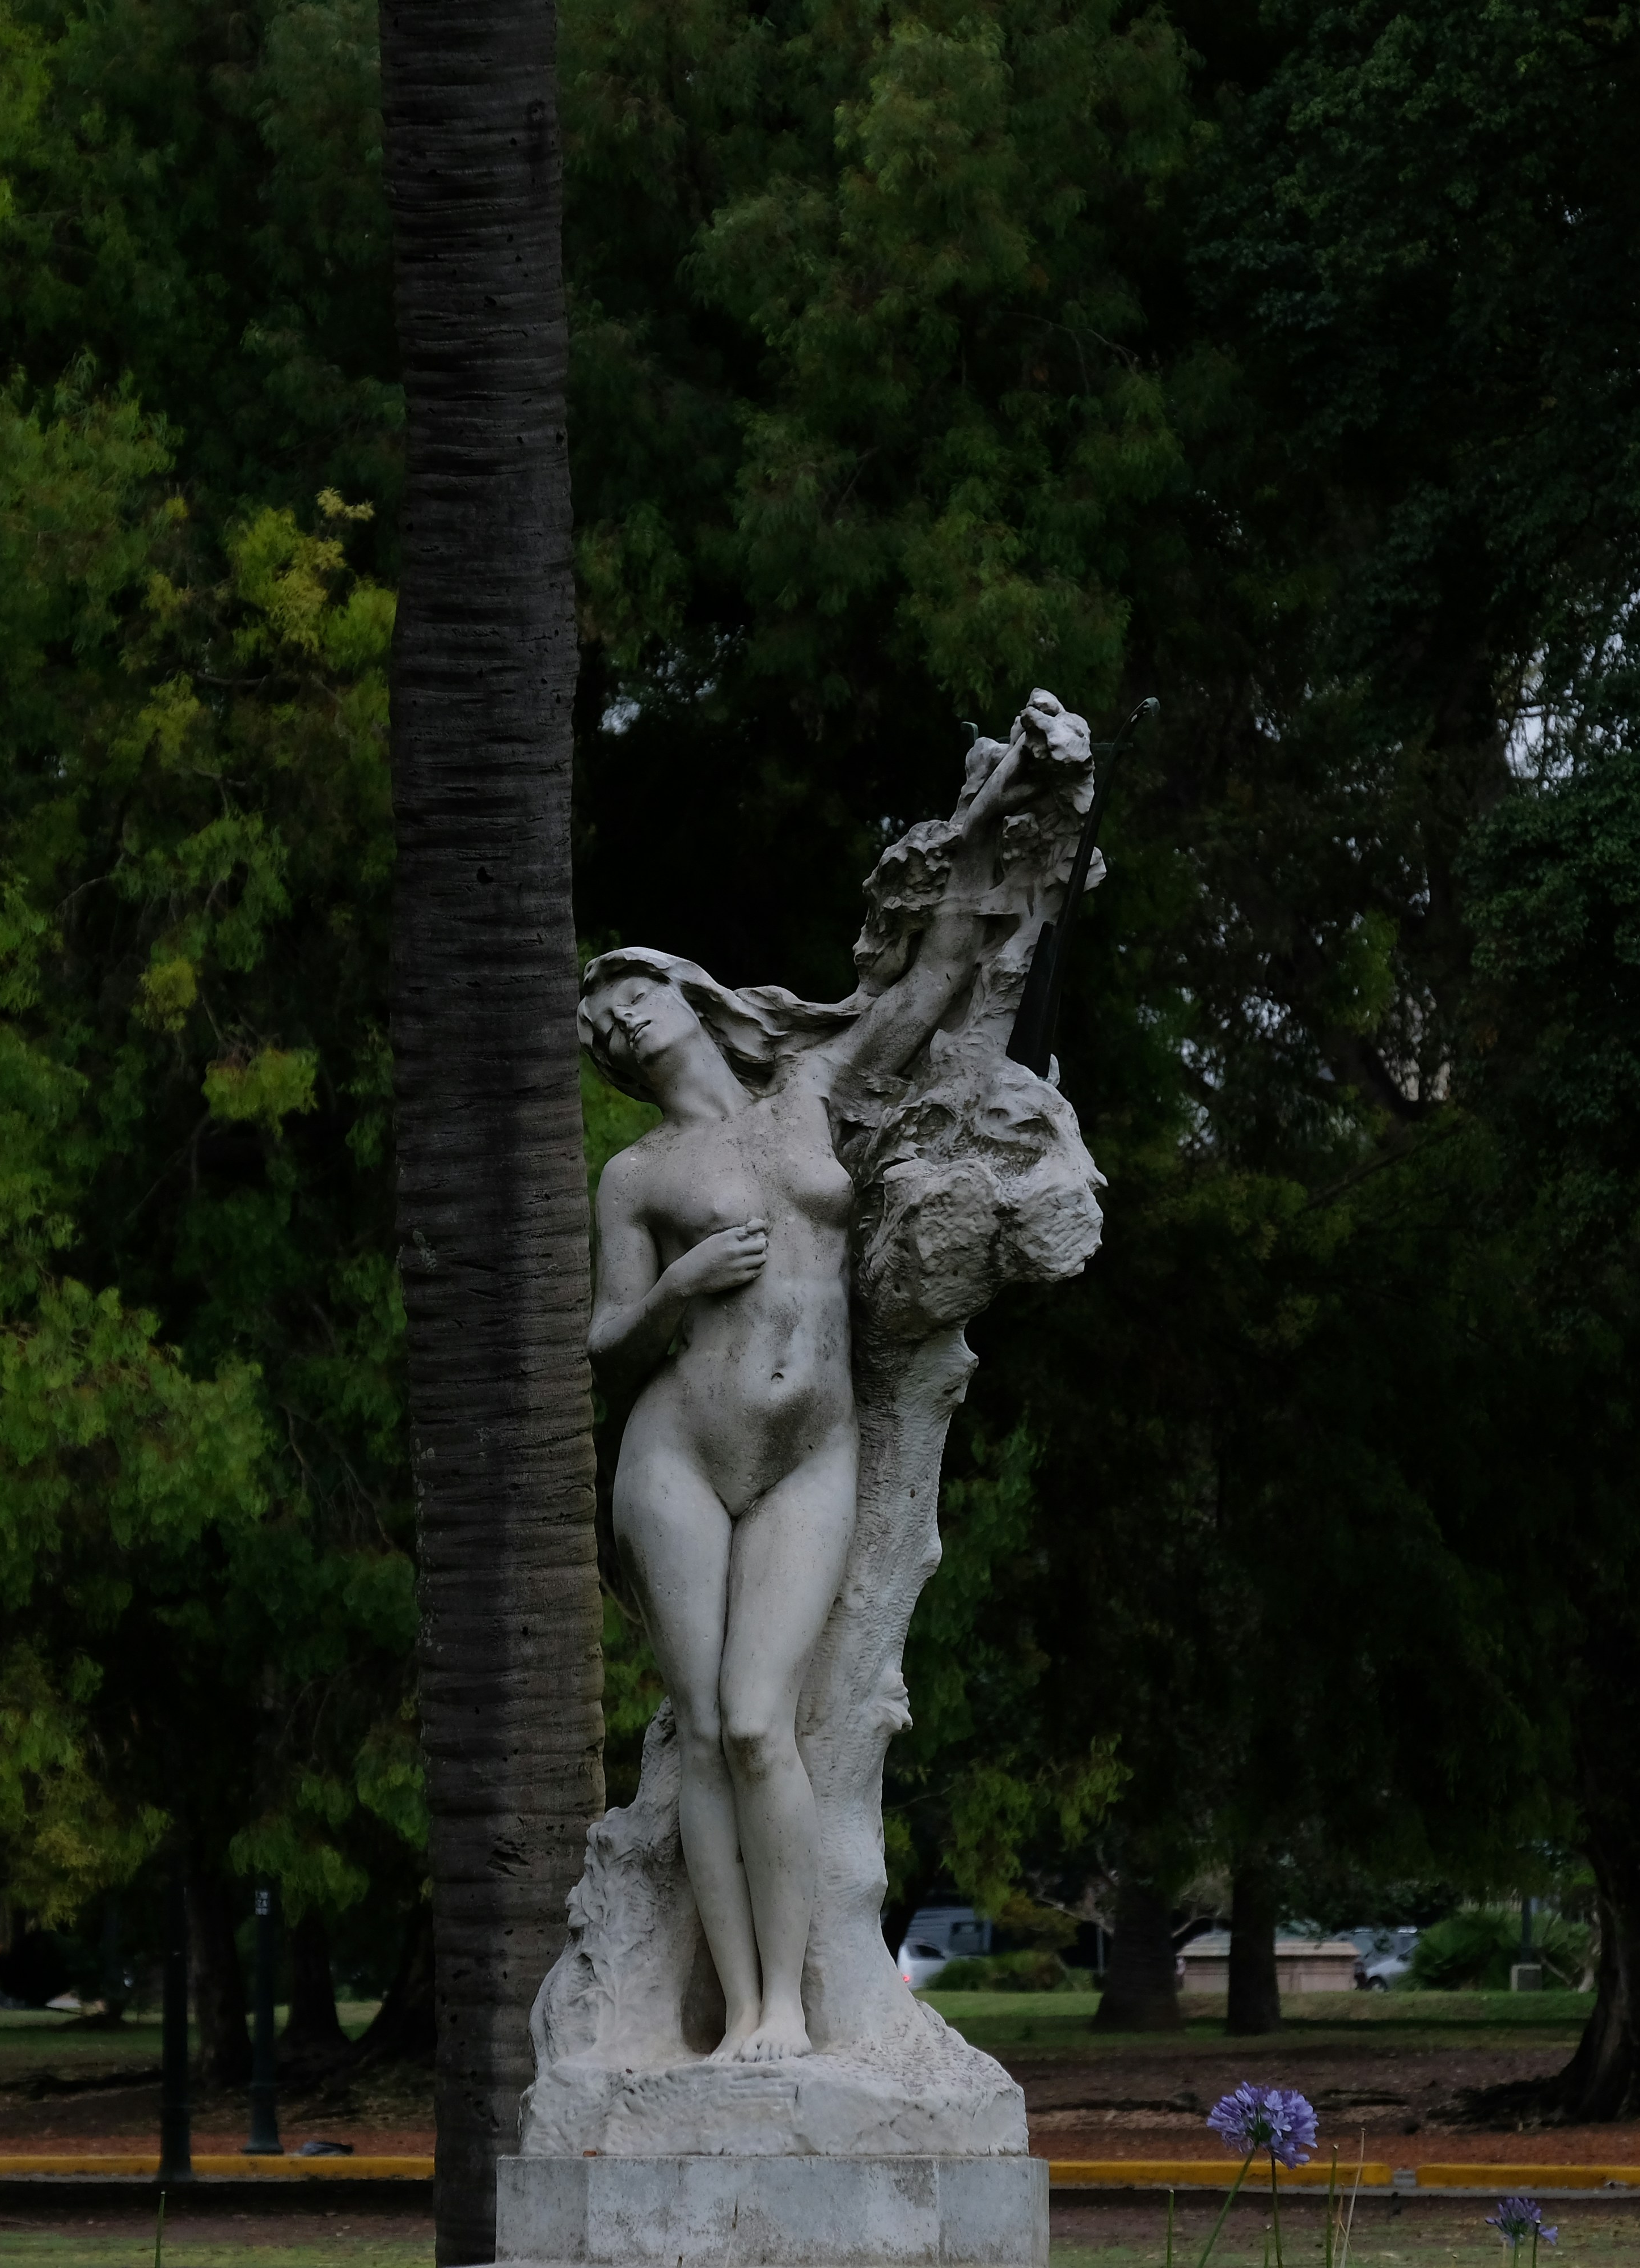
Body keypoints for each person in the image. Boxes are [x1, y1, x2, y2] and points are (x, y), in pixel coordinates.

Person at [578, 710, 1060, 2063]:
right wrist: (677, 1290)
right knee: (709, 1735)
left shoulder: (808, 1085)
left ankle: (794, 2006)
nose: (615, 1018)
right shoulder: (637, 1178)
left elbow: (934, 978)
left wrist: (1006, 804)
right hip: (680, 1447)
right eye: (598, 1026)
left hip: (812, 1443)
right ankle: (738, 2018)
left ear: (684, 990)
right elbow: (600, 1335)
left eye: (628, 993)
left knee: (754, 1718)